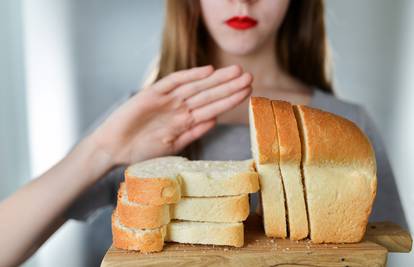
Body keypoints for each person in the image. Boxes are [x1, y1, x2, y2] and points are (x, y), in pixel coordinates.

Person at [0, 0, 407, 266]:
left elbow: (382, 252)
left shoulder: (349, 123)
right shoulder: (139, 116)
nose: (242, 1)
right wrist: (102, 150)